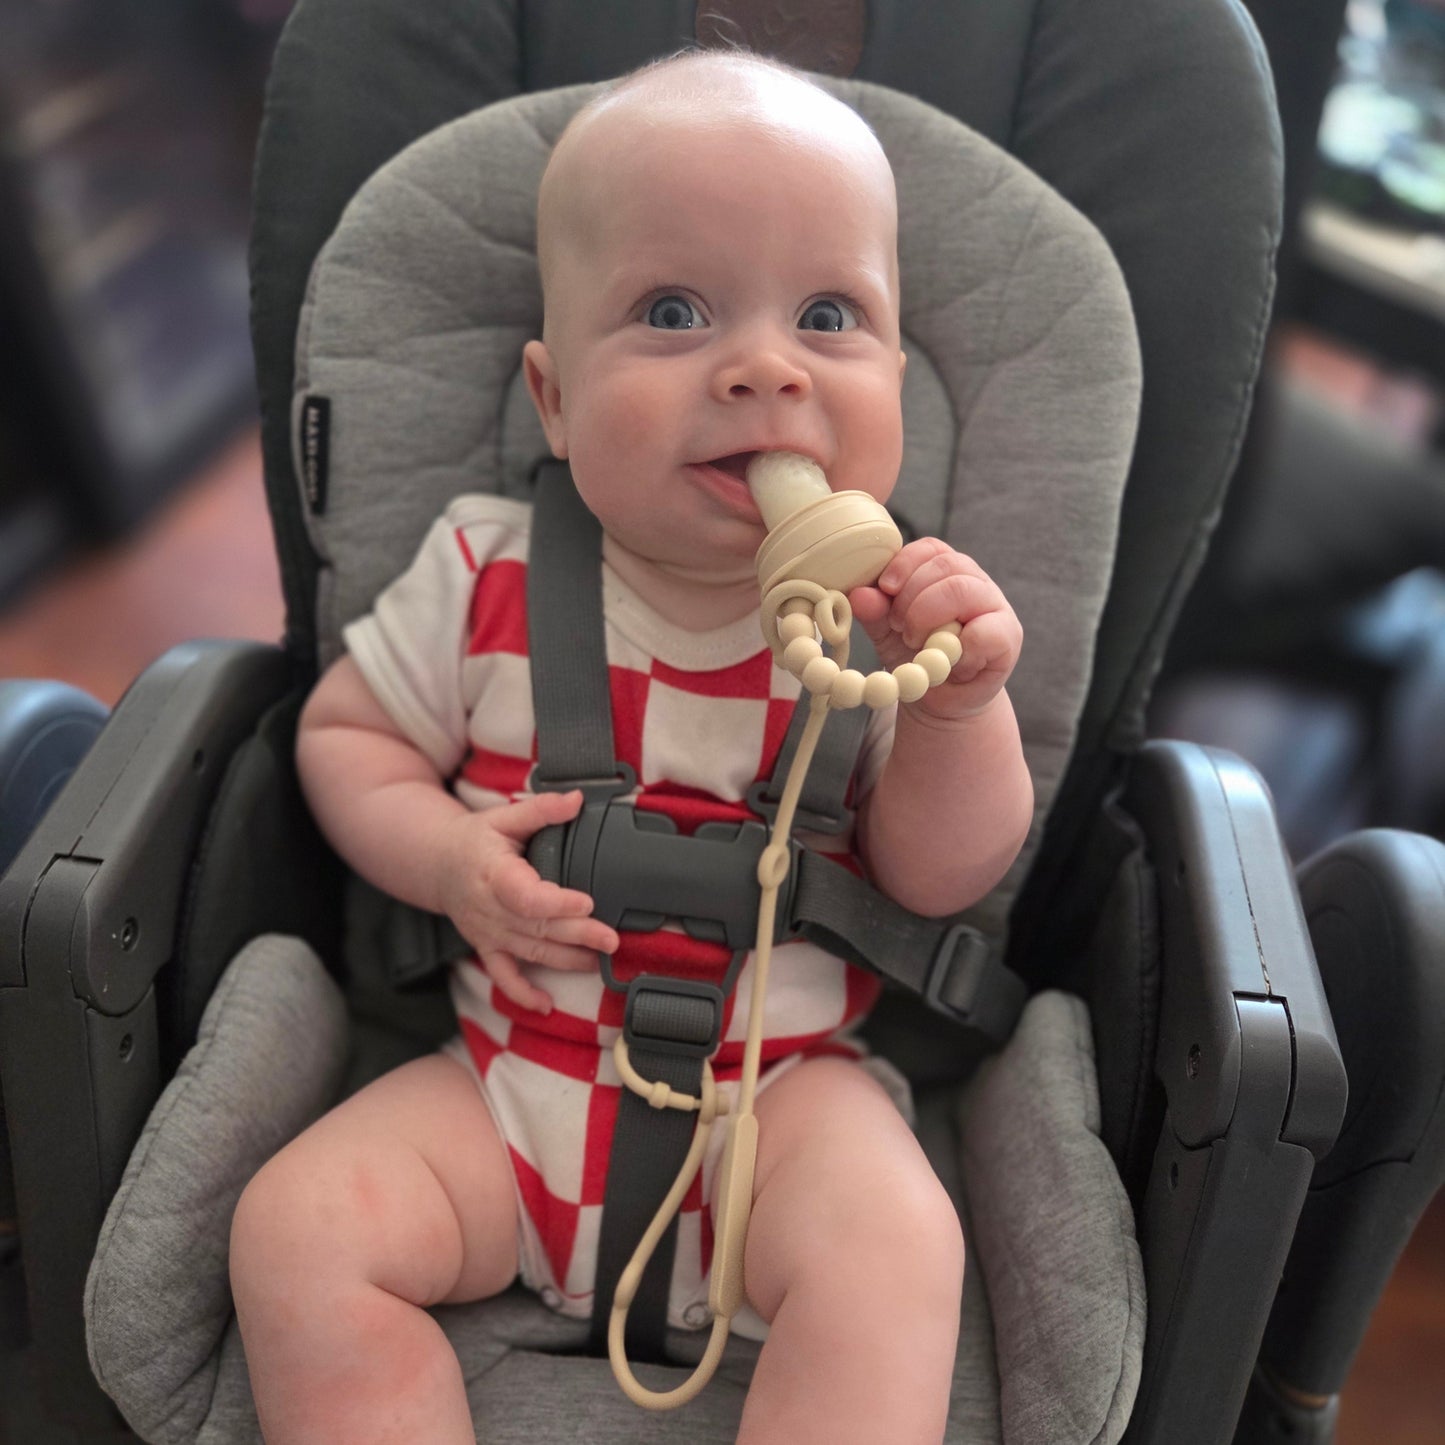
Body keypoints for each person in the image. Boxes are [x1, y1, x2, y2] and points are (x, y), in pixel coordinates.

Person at [228, 49, 1033, 1445]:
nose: (764, 368)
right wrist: (443, 854)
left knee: (899, 1244)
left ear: (894, 382)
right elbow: (344, 736)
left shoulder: (891, 615)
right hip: (505, 1089)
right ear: (551, 396)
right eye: (672, 312)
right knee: (298, 1228)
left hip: (783, 1107)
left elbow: (937, 875)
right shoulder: (483, 569)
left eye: (828, 317)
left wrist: (959, 710)